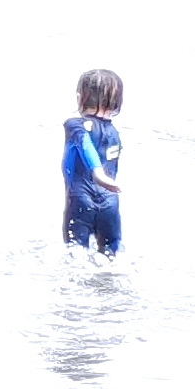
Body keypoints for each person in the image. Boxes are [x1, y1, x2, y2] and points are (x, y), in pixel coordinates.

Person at [61, 68, 125, 255]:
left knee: (76, 253)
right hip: (110, 203)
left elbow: (85, 144)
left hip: (81, 200)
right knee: (113, 254)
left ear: (80, 98)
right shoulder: (114, 133)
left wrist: (97, 172)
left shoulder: (75, 125)